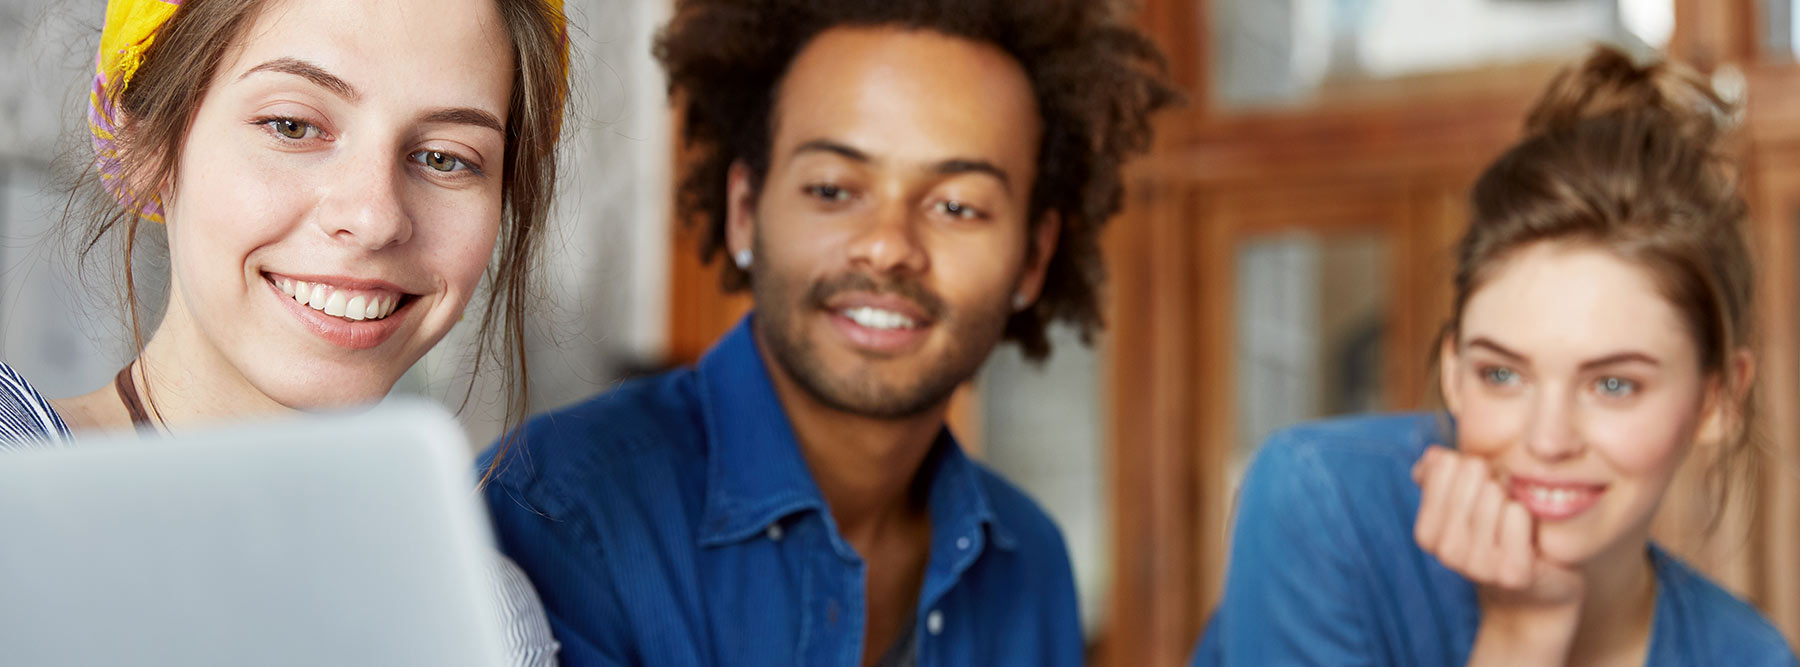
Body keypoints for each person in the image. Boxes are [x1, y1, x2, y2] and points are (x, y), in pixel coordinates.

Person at [479, 1, 1180, 664]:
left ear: (1032, 257)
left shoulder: (1029, 562)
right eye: (834, 189)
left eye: (958, 205)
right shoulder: (554, 515)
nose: (886, 246)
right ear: (746, 209)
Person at [0, 0, 570, 664]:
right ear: (144, 147)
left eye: (445, 158)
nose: (374, 215)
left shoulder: (490, 622)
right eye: (292, 125)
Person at [1193, 46, 1798, 666]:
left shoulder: (1747, 656)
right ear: (1454, 373)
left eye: (1613, 385)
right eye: (1502, 374)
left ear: (1716, 401)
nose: (1548, 439)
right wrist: (1523, 632)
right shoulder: (1322, 507)